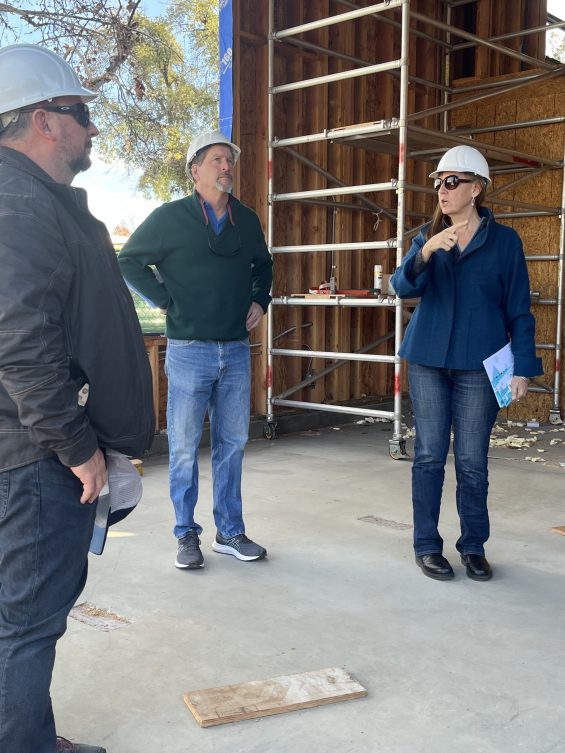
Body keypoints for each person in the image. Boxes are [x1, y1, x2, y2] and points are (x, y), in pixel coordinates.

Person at [0, 44, 154, 753]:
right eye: (81, 114)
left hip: (30, 449)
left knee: (19, 617)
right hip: (32, 459)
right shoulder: (18, 203)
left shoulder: (33, 200)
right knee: (27, 623)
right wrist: (78, 448)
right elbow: (22, 343)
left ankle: (29, 733)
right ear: (44, 119)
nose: (92, 130)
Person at [118, 130, 273, 569]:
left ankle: (230, 532)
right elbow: (127, 260)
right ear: (195, 169)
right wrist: (165, 300)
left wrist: (259, 299)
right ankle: (186, 534)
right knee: (185, 447)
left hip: (236, 351)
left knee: (233, 444)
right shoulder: (170, 218)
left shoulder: (246, 219)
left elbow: (264, 265)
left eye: (230, 161)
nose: (227, 167)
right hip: (189, 350)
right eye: (217, 160)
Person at [391, 145, 542, 582]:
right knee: (429, 457)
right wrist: (424, 253)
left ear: (476, 189)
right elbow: (401, 286)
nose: (442, 189)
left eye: (452, 181)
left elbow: (519, 309)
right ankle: (426, 546)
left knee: (473, 461)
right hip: (428, 362)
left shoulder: (505, 243)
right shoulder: (427, 237)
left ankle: (473, 546)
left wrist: (522, 367)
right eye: (438, 182)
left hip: (480, 365)